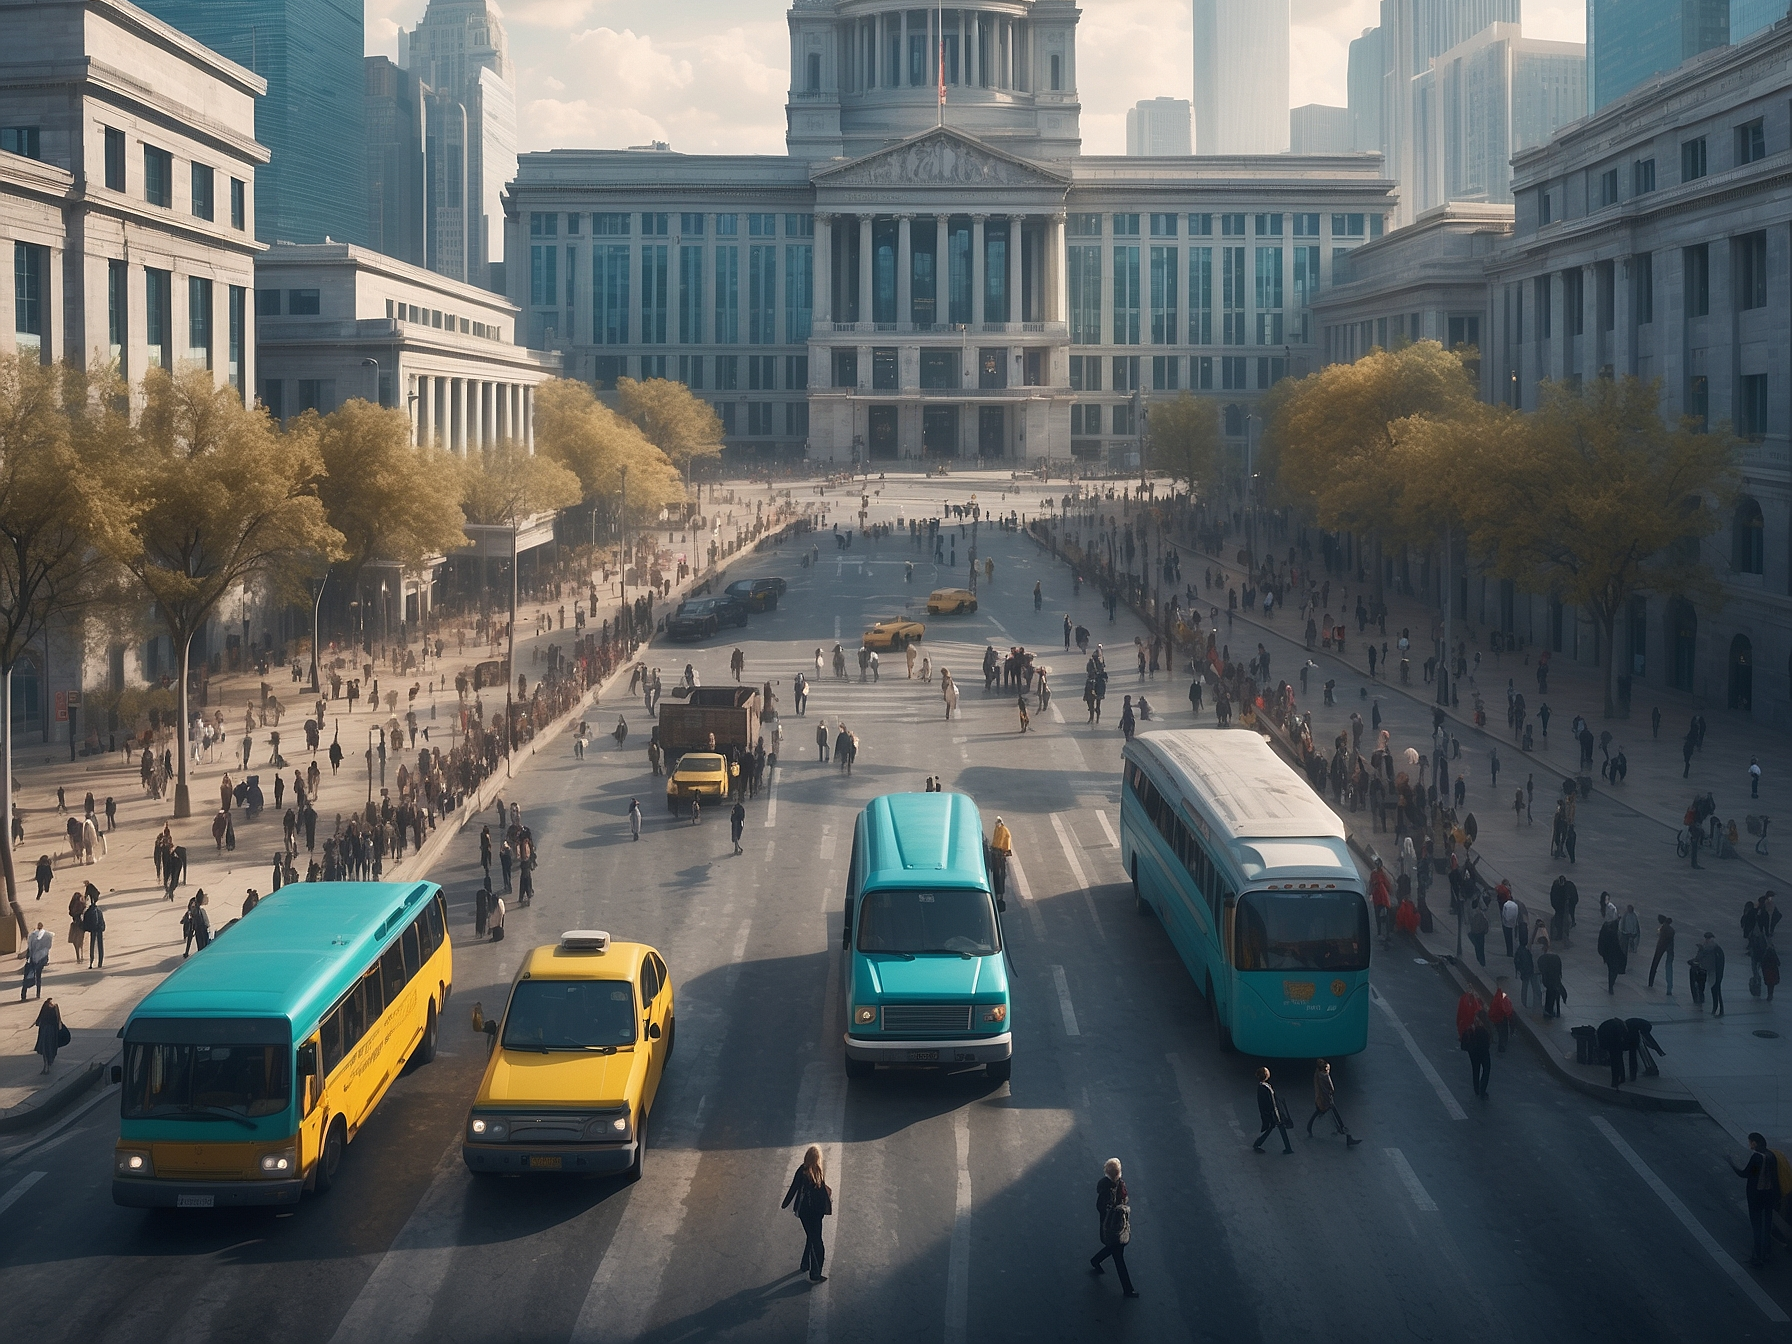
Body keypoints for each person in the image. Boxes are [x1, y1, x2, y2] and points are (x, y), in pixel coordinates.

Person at [781, 1144, 833, 1283]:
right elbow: (821, 1194)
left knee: (811, 1236)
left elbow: (793, 1188)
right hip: (816, 1214)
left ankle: (805, 1264)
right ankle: (815, 1274)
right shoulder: (818, 1171)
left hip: (804, 1212)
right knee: (817, 1242)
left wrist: (785, 1204)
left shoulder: (801, 1170)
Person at [1731, 1133, 1783, 1267]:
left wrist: (1732, 1165)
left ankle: (1757, 1255)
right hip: (1769, 1195)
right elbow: (1775, 1177)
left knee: (1757, 1225)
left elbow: (1748, 1174)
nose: (1749, 1144)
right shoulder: (1771, 1156)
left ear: (1754, 1143)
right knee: (1766, 1224)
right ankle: (1766, 1253)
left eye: (1750, 1142)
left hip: (1756, 1196)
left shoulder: (1756, 1158)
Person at [1089, 1157, 1138, 1297]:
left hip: (1113, 1225)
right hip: (1113, 1226)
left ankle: (1095, 1261)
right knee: (1118, 1256)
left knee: (1113, 1249)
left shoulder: (1117, 1185)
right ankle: (1128, 1289)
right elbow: (1102, 1207)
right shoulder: (1110, 1187)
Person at [1305, 1059, 1361, 1145]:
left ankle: (1309, 1128)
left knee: (1319, 1112)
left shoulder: (1317, 1073)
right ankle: (1346, 1135)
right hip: (1327, 1100)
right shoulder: (1325, 1076)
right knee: (1336, 1118)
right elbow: (1331, 1089)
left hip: (1320, 1099)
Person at [1252, 1067, 1293, 1154]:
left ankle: (1287, 1148)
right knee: (1274, 1128)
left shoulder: (1263, 1086)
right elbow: (1270, 1103)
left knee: (1271, 1129)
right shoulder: (1265, 1088)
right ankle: (1287, 1148)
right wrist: (1275, 1114)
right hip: (1272, 1114)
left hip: (1271, 1113)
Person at [1464, 1008, 1493, 1099]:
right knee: (1486, 1069)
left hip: (1473, 1051)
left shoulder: (1472, 1025)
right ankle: (1482, 1090)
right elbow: (1488, 1040)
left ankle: (1476, 1089)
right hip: (1483, 1051)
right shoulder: (1483, 1028)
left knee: (1475, 1069)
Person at [20, 921, 51, 1000]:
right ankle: (38, 994)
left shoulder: (32, 935)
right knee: (38, 976)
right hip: (41, 959)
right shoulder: (47, 935)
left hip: (32, 959)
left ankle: (24, 995)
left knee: (27, 976)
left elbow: (30, 947)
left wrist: (29, 956)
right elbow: (48, 947)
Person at [1596, 1016, 1629, 1089]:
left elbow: (1600, 1036)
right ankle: (1620, 1078)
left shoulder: (1608, 1025)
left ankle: (1615, 1081)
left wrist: (1603, 1047)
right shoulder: (1620, 1027)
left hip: (1610, 1041)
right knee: (1618, 1060)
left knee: (1614, 1062)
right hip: (1614, 1042)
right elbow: (1621, 1036)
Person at [33, 996, 64, 1073]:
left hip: (44, 1030)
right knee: (51, 1047)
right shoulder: (55, 1007)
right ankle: (48, 1063)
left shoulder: (45, 1006)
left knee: (45, 1048)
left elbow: (39, 1018)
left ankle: (46, 1065)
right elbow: (58, 1020)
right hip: (52, 1031)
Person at [1700, 932, 1727, 1016]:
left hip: (1716, 973)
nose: (1706, 941)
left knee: (1717, 991)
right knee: (1714, 990)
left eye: (1707, 939)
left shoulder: (1716, 949)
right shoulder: (1711, 949)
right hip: (1712, 972)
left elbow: (1719, 963)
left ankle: (1719, 1009)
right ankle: (1716, 1008)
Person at [1598, 916, 1627, 993]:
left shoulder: (1607, 927)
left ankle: (1611, 986)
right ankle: (1611, 985)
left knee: (1611, 969)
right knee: (1613, 970)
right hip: (1614, 953)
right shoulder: (1614, 932)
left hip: (1609, 953)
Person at [1538, 938, 1565, 1019]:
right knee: (1552, 992)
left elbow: (1541, 968)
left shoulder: (1543, 957)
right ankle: (1551, 1009)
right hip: (1554, 978)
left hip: (1548, 978)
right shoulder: (1554, 956)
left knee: (1550, 993)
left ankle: (1548, 1009)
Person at [83, 891, 106, 969]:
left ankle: (91, 962)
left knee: (92, 945)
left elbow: (85, 923)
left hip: (93, 930)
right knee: (100, 946)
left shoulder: (88, 912)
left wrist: (87, 928)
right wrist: (102, 927)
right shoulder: (98, 911)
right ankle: (100, 962)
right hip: (99, 929)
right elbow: (102, 921)